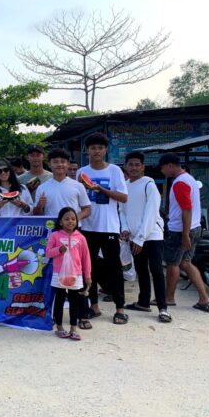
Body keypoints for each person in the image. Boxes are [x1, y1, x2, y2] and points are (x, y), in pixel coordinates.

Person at [77, 132, 129, 326]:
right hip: (87, 227)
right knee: (89, 269)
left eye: (100, 148)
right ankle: (94, 306)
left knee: (115, 269)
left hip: (109, 227)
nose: (96, 151)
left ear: (105, 150)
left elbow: (123, 197)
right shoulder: (81, 172)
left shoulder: (114, 171)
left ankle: (120, 308)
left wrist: (101, 189)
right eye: (93, 148)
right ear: (87, 150)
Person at [119, 151, 171, 323]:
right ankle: (143, 302)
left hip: (152, 235)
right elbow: (122, 210)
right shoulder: (124, 186)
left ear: (142, 167)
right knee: (141, 269)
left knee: (156, 270)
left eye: (137, 165)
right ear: (125, 167)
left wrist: (141, 238)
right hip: (134, 237)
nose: (134, 168)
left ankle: (163, 308)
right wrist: (125, 229)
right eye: (130, 164)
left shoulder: (149, 184)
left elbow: (151, 213)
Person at [159, 152, 209, 312]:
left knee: (172, 264)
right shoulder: (189, 179)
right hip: (194, 227)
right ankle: (204, 298)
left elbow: (186, 209)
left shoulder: (179, 183)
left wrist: (184, 235)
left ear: (170, 166)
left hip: (181, 230)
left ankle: (168, 298)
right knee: (186, 263)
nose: (162, 172)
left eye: (162, 168)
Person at [46, 207, 92, 341]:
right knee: (59, 299)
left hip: (76, 274)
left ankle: (73, 328)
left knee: (74, 300)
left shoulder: (81, 238)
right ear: (60, 222)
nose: (70, 221)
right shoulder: (55, 236)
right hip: (59, 273)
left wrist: (87, 275)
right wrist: (58, 250)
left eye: (73, 219)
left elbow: (86, 258)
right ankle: (59, 327)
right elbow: (48, 253)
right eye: (66, 219)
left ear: (77, 221)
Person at [33, 148, 91, 224]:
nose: (59, 164)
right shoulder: (42, 187)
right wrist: (39, 206)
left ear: (68, 164)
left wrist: (75, 218)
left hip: (73, 228)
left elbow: (87, 209)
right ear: (49, 164)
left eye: (63, 161)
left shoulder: (78, 186)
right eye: (55, 162)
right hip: (51, 227)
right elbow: (36, 214)